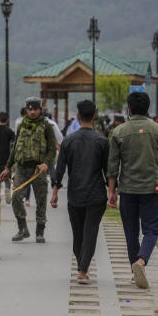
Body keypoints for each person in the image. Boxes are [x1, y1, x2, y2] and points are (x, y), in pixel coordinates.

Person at [107, 92, 158, 290]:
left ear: (129, 109)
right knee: (151, 229)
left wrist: (111, 192)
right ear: (147, 109)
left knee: (130, 231)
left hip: (128, 188)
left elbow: (113, 166)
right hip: (152, 188)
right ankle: (141, 262)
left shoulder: (119, 132)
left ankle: (134, 270)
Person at [51, 99, 108, 283]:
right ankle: (82, 270)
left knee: (78, 234)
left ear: (77, 117)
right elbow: (108, 171)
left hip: (75, 195)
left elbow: (59, 169)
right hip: (96, 194)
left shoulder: (68, 141)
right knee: (90, 232)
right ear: (95, 116)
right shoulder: (102, 141)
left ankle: (81, 267)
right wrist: (114, 191)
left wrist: (54, 193)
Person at [0, 97, 57, 243]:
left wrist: (46, 163)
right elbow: (14, 149)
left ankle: (40, 232)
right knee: (16, 198)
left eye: (35, 109)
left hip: (38, 169)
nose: (32, 112)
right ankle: (22, 228)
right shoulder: (21, 126)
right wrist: (7, 167)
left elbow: (52, 149)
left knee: (41, 201)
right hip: (21, 169)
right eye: (29, 109)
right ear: (26, 110)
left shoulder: (46, 126)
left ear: (40, 109)